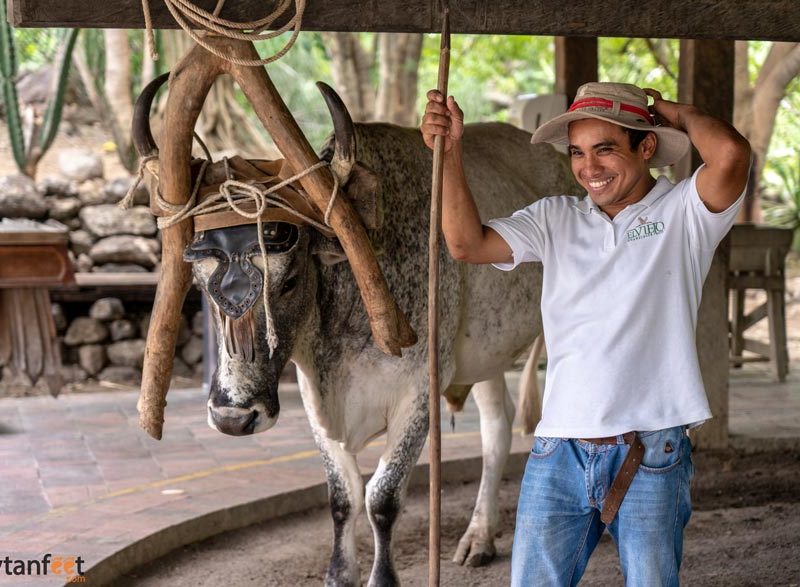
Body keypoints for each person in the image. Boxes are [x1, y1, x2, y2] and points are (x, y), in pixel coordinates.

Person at [420, 82, 751, 586]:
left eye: (605, 149)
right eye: (577, 152)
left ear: (646, 146)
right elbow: (466, 244)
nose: (589, 167)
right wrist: (450, 152)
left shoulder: (685, 212)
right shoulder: (555, 217)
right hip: (558, 449)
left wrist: (674, 112)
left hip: (651, 449)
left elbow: (730, 154)